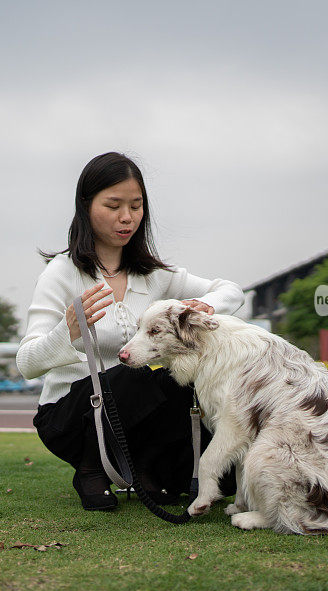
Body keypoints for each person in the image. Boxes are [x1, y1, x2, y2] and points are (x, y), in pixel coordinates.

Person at [16, 152, 244, 511]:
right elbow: (26, 363)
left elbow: (230, 289)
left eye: (136, 206)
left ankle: (146, 467)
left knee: (222, 471)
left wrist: (204, 308)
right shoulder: (61, 273)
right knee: (133, 375)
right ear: (86, 205)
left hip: (135, 420)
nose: (127, 217)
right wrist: (67, 331)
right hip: (71, 416)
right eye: (114, 205)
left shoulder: (153, 275)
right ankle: (90, 469)